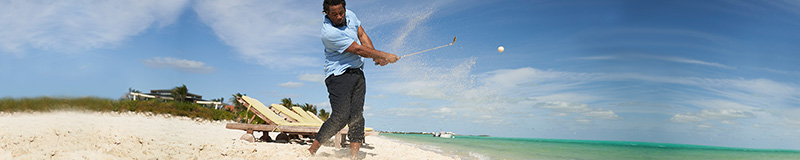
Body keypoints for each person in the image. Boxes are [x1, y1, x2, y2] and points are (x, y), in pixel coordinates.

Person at [307, 0, 399, 159]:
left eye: (341, 12)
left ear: (344, 9)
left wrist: (375, 57)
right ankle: (311, 151)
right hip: (337, 76)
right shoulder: (328, 33)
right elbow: (357, 49)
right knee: (340, 117)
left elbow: (362, 35)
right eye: (334, 14)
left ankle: (353, 157)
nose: (339, 16)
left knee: (357, 115)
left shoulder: (350, 16)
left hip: (357, 72)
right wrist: (383, 55)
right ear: (326, 14)